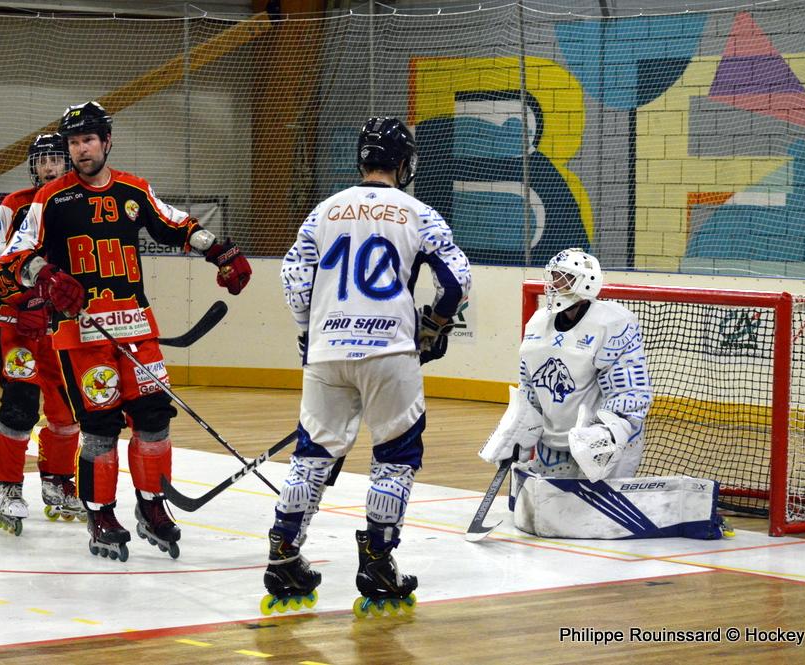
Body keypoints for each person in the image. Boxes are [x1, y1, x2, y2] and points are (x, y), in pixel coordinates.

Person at [1, 101, 252, 561]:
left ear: (106, 141)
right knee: (99, 428)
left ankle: (152, 506)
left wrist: (221, 251)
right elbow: (11, 257)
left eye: (88, 140)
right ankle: (101, 512)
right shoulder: (50, 199)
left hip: (136, 325)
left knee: (155, 421)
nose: (81, 150)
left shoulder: (133, 190)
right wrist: (45, 275)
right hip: (82, 334)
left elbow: (176, 225)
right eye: (74, 142)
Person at [262, 116, 471, 615]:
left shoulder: (323, 211)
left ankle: (283, 553)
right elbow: (457, 280)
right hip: (390, 350)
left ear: (361, 159)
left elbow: (294, 278)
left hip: (327, 350)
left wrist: (308, 334)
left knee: (311, 456)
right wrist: (435, 325)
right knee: (395, 458)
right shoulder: (419, 213)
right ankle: (377, 559)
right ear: (404, 164)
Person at [479, 248, 731, 540]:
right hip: (553, 442)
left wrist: (603, 438)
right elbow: (530, 390)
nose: (554, 284)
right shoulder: (538, 322)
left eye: (563, 277)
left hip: (596, 442)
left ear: (586, 282)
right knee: (549, 521)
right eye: (553, 277)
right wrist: (516, 433)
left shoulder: (612, 323)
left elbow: (630, 393)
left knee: (595, 523)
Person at [0, 133, 83, 536]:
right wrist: (24, 299)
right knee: (20, 402)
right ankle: (8, 486)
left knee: (67, 407)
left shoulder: (77, 203)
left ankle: (56, 481)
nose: (50, 167)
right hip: (15, 322)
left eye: (57, 159)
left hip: (60, 325)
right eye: (43, 160)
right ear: (32, 167)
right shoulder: (14, 204)